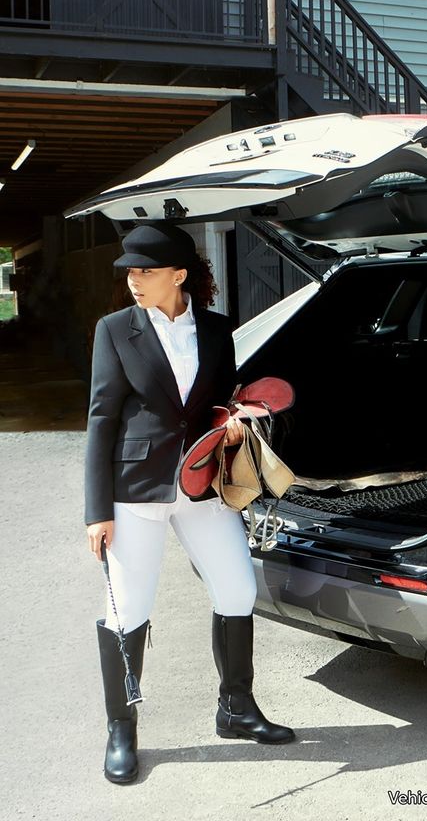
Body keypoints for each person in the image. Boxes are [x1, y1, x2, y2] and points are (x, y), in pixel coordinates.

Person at [84, 221, 293, 785]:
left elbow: (220, 400)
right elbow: (101, 419)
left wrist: (233, 421)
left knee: (238, 590)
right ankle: (121, 729)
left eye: (145, 271)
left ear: (178, 275)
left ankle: (236, 708)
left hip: (202, 485)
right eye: (129, 271)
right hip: (135, 489)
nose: (134, 280)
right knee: (128, 609)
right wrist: (96, 511)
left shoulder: (218, 329)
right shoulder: (114, 330)